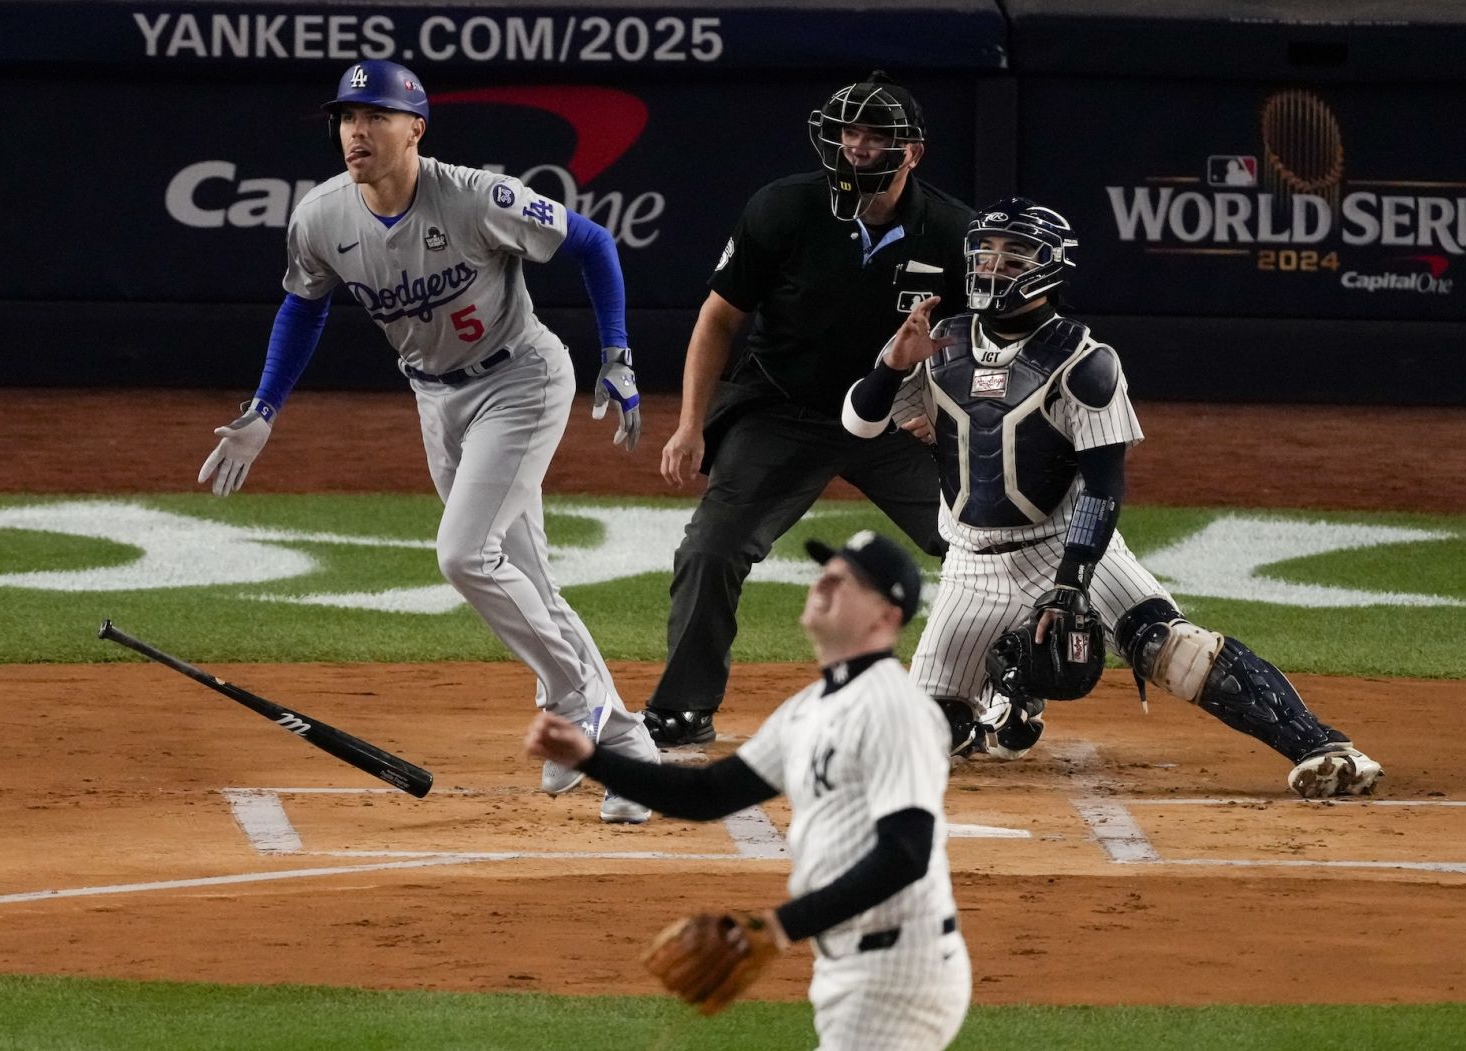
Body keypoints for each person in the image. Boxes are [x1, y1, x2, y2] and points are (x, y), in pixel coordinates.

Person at [196, 60, 658, 823]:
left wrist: (617, 355)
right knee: (530, 582)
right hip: (436, 400)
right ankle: (627, 748)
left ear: (415, 127)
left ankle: (578, 697)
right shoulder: (321, 217)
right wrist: (264, 408)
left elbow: (592, 242)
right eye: (346, 117)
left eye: (373, 116)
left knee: (464, 554)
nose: (356, 131)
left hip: (523, 382)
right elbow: (302, 308)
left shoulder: (476, 196)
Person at [841, 197, 1384, 799]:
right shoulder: (937, 343)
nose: (994, 266)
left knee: (1169, 647)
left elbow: (1104, 483)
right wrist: (892, 364)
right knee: (924, 733)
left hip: (1066, 543)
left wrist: (1072, 580)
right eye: (985, 252)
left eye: (1013, 254)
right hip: (971, 562)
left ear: (1049, 266)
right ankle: (1006, 703)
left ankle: (1325, 747)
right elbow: (860, 425)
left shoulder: (1084, 362)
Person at [526, 530, 970, 1048]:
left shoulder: (895, 708)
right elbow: (710, 793)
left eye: (849, 580)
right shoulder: (812, 706)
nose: (825, 580)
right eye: (828, 570)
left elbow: (906, 851)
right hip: (853, 965)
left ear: (886, 617)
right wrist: (592, 759)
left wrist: (780, 926)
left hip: (899, 971)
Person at [644, 70, 974, 748]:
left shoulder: (950, 231)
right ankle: (684, 706)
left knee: (983, 546)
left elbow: (983, 341)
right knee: (711, 546)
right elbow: (717, 319)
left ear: (912, 151)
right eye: (849, 129)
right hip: (784, 409)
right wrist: (687, 425)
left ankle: (997, 698)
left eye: (875, 133)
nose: (856, 145)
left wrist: (944, 406)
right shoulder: (783, 208)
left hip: (891, 418)